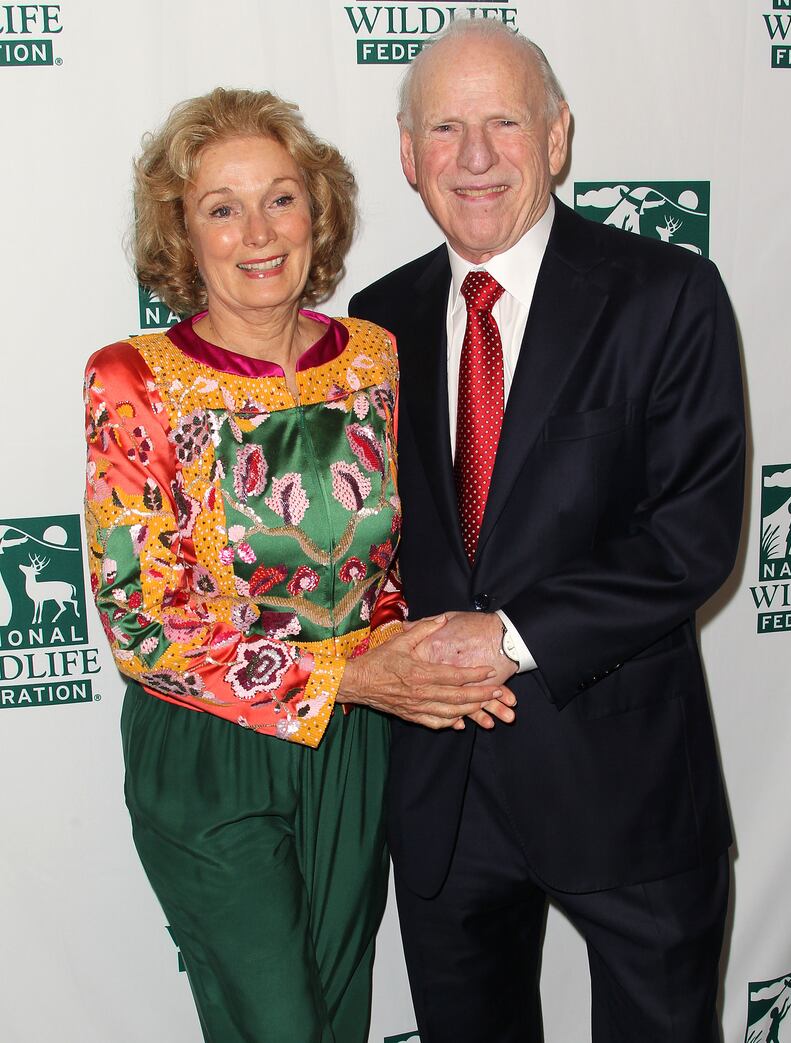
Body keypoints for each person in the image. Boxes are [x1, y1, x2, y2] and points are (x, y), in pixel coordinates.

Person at [83, 87, 513, 1043]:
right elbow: (141, 623)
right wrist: (346, 675)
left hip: (355, 744)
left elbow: (395, 563)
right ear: (182, 233)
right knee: (277, 1025)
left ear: (317, 211)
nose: (258, 232)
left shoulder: (375, 358)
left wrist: (411, 657)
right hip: (209, 751)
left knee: (337, 1014)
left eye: (280, 198)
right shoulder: (132, 377)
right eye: (222, 208)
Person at [350, 19, 745, 1043]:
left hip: (625, 785)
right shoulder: (374, 322)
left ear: (557, 136)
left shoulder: (666, 296)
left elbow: (690, 536)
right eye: (445, 129)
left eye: (504, 123)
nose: (474, 157)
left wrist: (510, 634)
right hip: (442, 794)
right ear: (408, 154)